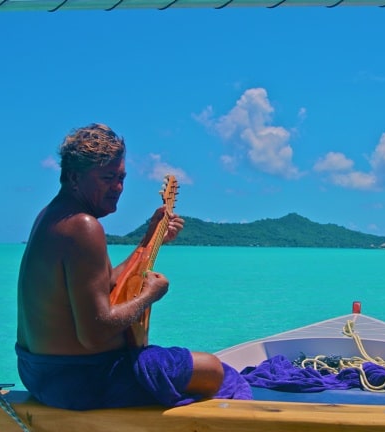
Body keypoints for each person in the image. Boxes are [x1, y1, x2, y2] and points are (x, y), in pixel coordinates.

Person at [16, 123, 251, 410]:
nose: (117, 188)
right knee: (213, 369)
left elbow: (105, 286)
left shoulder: (52, 217)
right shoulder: (83, 226)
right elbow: (96, 332)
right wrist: (150, 294)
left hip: (38, 374)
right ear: (74, 177)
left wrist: (151, 238)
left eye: (121, 178)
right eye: (107, 178)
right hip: (82, 380)